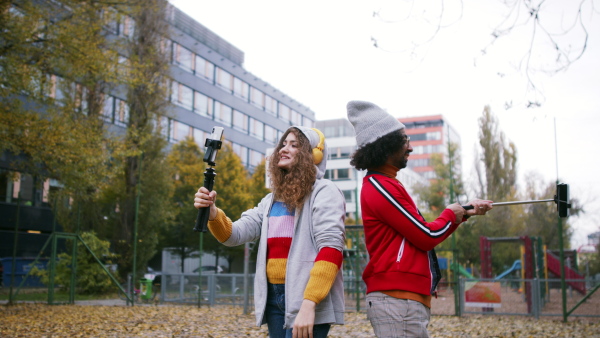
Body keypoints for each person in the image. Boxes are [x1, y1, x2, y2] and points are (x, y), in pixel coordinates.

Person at [346, 100, 493, 338]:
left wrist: (465, 211)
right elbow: (426, 235)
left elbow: (422, 233)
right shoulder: (380, 187)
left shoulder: (388, 184)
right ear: (385, 145)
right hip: (396, 300)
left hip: (403, 301)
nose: (410, 147)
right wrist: (451, 213)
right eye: (404, 141)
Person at [193, 126, 346, 338]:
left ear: (313, 155)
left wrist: (309, 304)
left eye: (294, 145)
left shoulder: (325, 192)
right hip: (274, 299)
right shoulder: (270, 200)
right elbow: (232, 235)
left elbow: (331, 250)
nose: (284, 149)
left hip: (307, 297)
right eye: (283, 144)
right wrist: (212, 213)